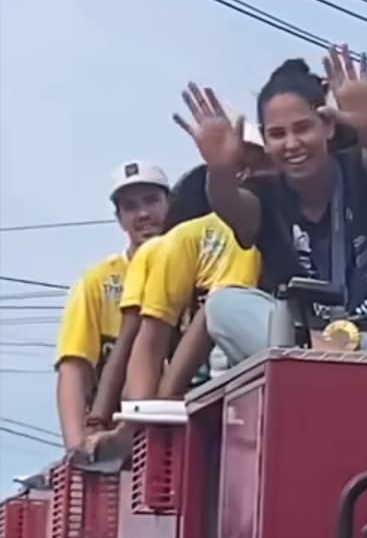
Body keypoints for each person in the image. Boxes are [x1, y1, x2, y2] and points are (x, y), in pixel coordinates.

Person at [174, 45, 367, 363]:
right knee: (223, 305)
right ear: (266, 142)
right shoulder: (266, 195)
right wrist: (220, 169)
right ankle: (330, 361)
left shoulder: (358, 168)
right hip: (311, 347)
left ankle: (344, 364)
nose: (292, 144)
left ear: (327, 126)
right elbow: (230, 206)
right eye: (277, 134)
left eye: (302, 128)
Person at [83, 122, 266, 456]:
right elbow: (150, 338)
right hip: (225, 392)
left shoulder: (278, 223)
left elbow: (142, 340)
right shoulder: (203, 237)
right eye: (242, 166)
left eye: (151, 200)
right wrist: (143, 414)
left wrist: (131, 419)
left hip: (222, 392)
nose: (249, 175)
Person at [55, 161, 170, 450]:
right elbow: (74, 366)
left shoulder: (194, 267)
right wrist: (77, 447)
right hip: (114, 439)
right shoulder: (97, 281)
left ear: (171, 204)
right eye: (130, 206)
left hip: (179, 423)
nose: (143, 214)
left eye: (152, 201)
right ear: (119, 219)